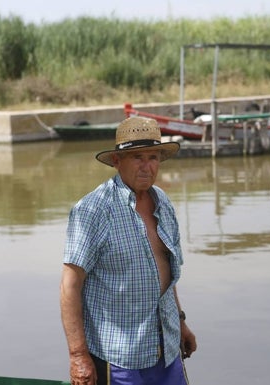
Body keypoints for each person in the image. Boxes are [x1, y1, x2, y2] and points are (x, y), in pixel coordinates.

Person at [60, 116, 197, 385]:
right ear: (117, 161)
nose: (147, 167)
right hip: (120, 357)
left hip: (166, 349)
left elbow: (165, 272)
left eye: (153, 157)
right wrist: (78, 356)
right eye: (137, 158)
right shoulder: (93, 210)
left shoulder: (163, 203)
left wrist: (180, 321)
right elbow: (69, 286)